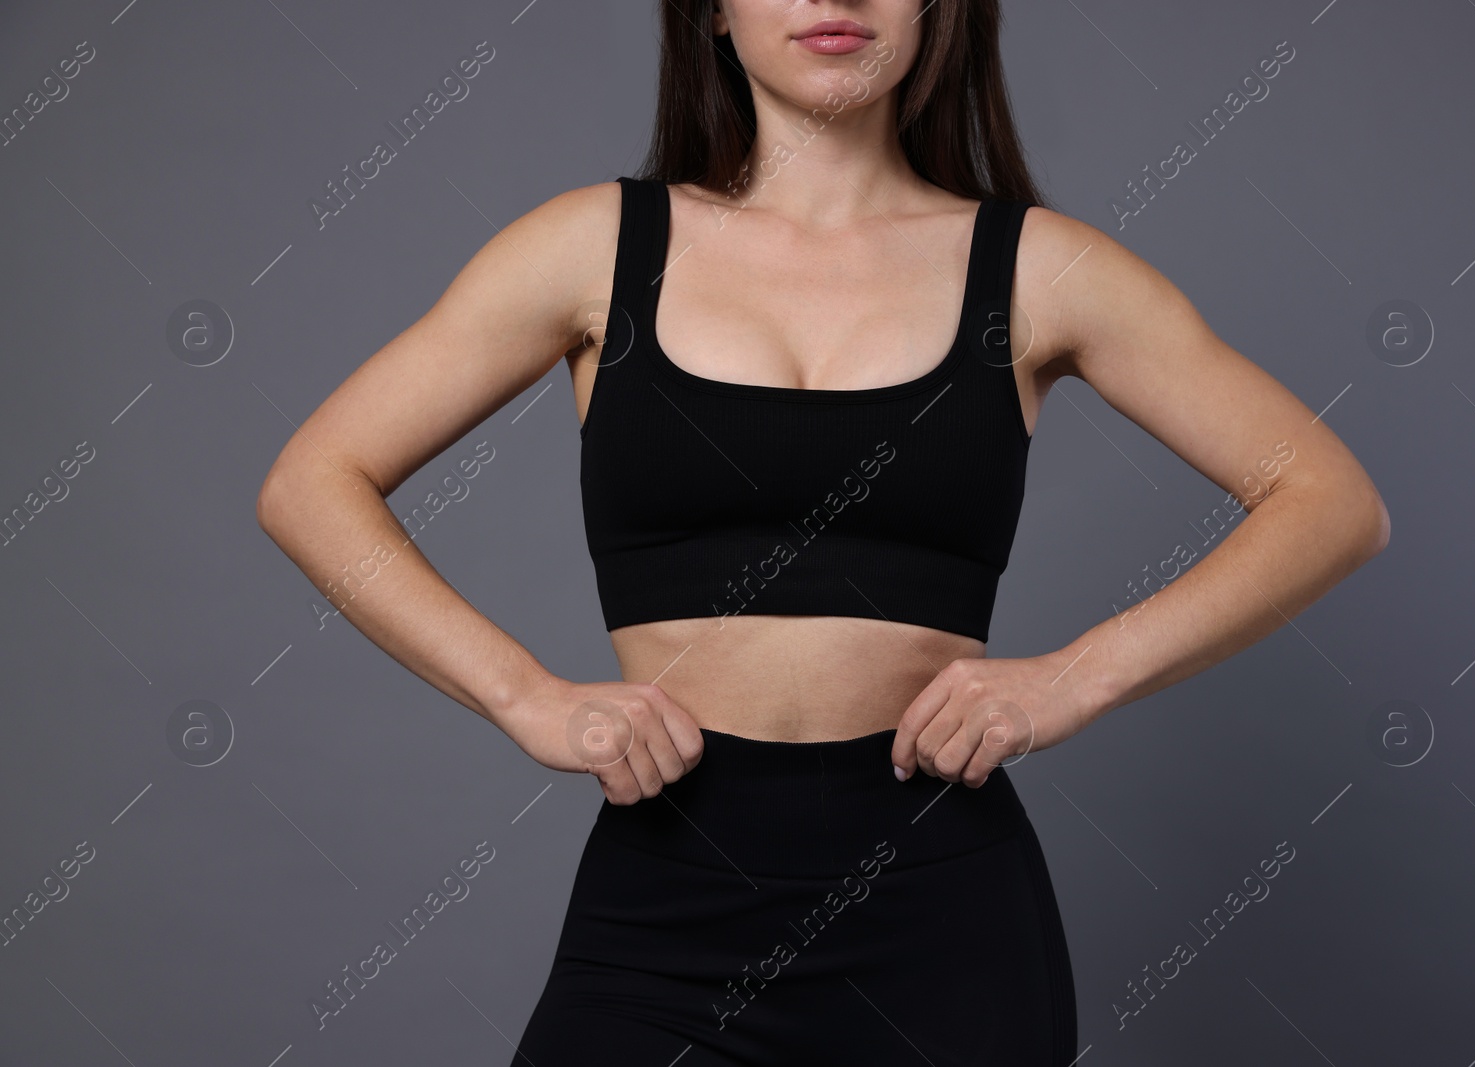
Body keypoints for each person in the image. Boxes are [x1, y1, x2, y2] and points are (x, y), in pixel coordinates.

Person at [256, 2, 1390, 1063]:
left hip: (944, 908)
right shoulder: (591, 248)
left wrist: (1075, 678)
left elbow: (1328, 500)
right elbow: (315, 480)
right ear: (708, 8)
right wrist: (521, 694)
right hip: (667, 890)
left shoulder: (1044, 268)